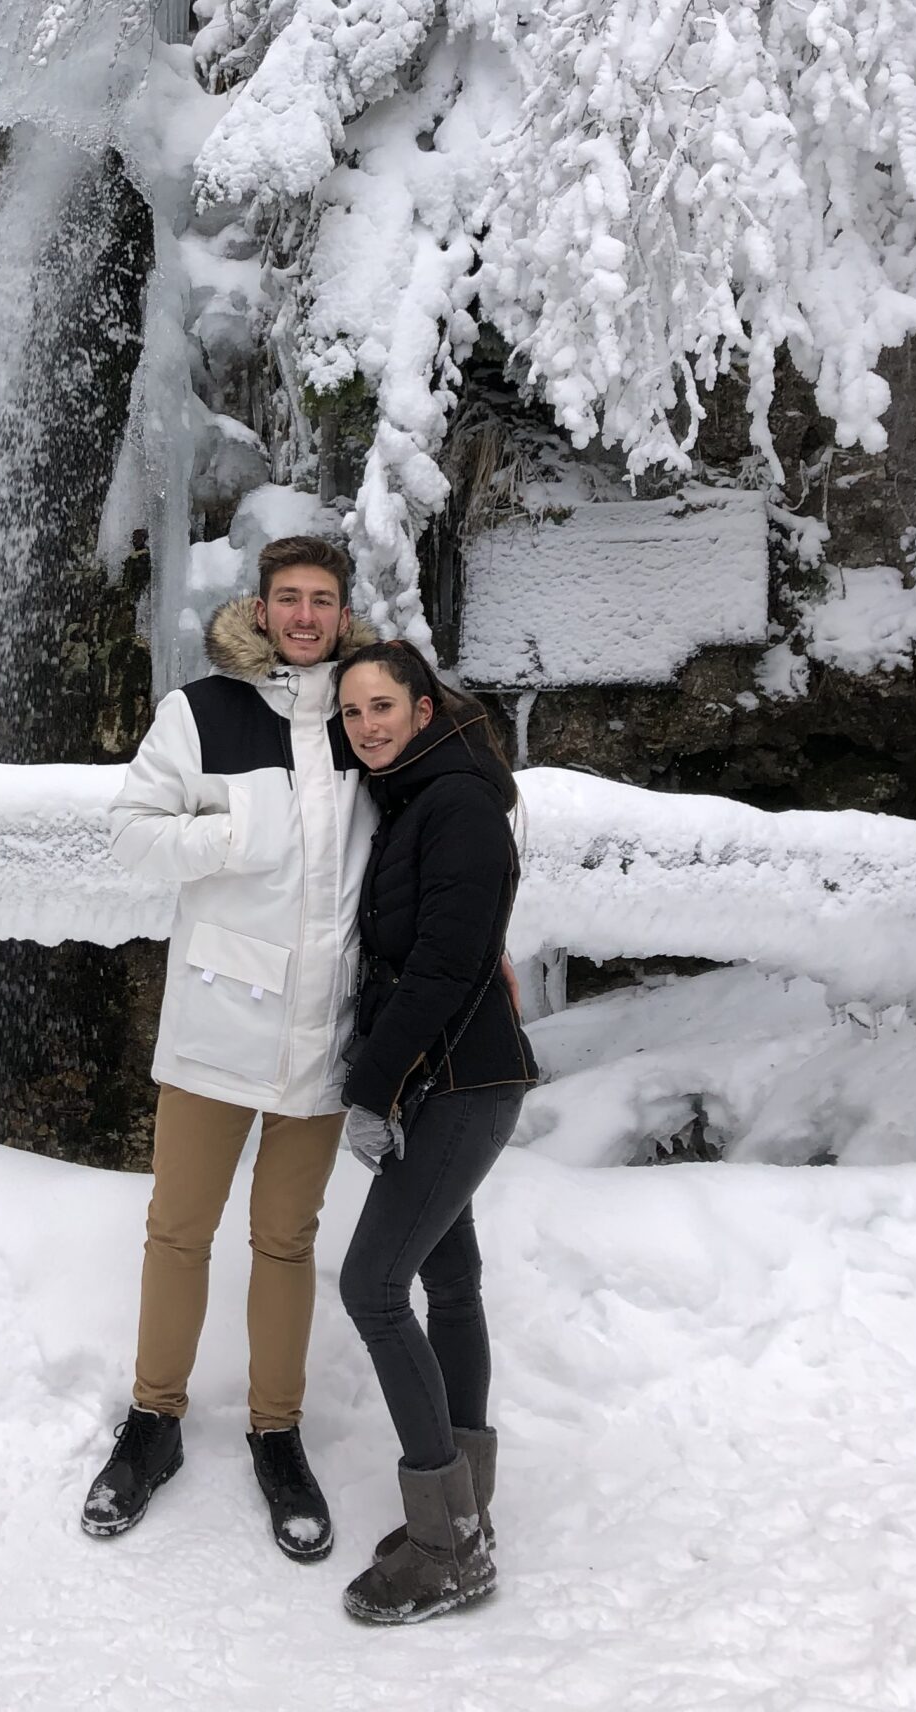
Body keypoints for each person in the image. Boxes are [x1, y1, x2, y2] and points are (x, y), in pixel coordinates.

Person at [80, 536, 376, 1562]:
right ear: (261, 606)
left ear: (344, 613)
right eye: (288, 598)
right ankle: (153, 1421)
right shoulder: (202, 711)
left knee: (287, 1238)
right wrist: (224, 834)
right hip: (217, 1016)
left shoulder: (368, 714)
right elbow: (130, 832)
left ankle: (276, 1431)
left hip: (324, 1028)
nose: (304, 616)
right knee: (179, 1228)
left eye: (321, 600)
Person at [332, 638, 539, 1625]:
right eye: (353, 710)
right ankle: (466, 1509)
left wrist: (374, 1088)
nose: (367, 724)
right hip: (450, 1079)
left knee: (372, 1285)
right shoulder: (422, 796)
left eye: (383, 705)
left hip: (456, 1084)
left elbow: (448, 968)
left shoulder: (455, 805)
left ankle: (446, 1546)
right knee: (448, 1284)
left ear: (424, 708)